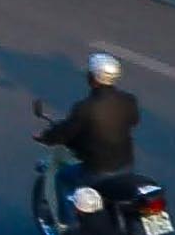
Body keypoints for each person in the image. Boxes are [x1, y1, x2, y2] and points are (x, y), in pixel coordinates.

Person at [35, 51, 142, 211]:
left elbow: (65, 132)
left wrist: (45, 137)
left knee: (62, 179)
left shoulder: (84, 108)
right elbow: (133, 120)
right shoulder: (128, 100)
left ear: (92, 78)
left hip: (97, 170)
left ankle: (68, 226)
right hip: (126, 164)